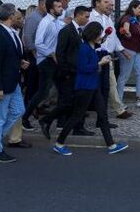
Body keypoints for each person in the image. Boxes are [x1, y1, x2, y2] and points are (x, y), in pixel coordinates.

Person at [52, 21, 128, 156]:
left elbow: (94, 60)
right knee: (76, 116)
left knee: (103, 116)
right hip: (85, 87)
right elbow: (83, 68)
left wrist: (102, 59)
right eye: (99, 34)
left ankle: (111, 145)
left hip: (93, 86)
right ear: (93, 34)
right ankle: (59, 143)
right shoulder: (84, 48)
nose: (101, 36)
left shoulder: (92, 46)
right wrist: (100, 62)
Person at [0, 3, 30, 164]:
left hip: (12, 81)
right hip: (1, 84)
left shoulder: (10, 32)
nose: (18, 15)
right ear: (10, 16)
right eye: (16, 12)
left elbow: (8, 56)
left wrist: (19, 62)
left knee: (18, 110)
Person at [38, 5, 94, 139]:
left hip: (78, 72)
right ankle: (48, 120)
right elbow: (60, 53)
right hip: (69, 74)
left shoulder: (81, 31)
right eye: (86, 16)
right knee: (68, 102)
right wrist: (67, 72)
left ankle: (77, 127)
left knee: (78, 102)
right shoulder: (66, 31)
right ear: (78, 15)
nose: (88, 19)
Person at [22, 0, 65, 129]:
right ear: (51, 9)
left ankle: (60, 122)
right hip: (46, 61)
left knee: (62, 91)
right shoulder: (45, 22)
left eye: (61, 6)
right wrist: (51, 54)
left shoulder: (58, 22)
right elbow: (38, 42)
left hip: (56, 60)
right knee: (42, 92)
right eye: (58, 6)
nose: (61, 8)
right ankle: (24, 118)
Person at [89, 0, 131, 120]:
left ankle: (117, 110)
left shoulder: (107, 18)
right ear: (97, 3)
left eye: (111, 4)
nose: (110, 6)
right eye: (106, 2)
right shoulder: (90, 17)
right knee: (103, 85)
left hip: (107, 56)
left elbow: (113, 37)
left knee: (110, 84)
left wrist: (123, 51)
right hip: (96, 55)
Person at [117, 0, 140, 107]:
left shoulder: (135, 19)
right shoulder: (127, 17)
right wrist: (126, 32)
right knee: (124, 76)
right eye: (139, 8)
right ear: (133, 8)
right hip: (127, 50)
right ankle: (118, 102)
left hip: (135, 51)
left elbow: (133, 28)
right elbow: (125, 27)